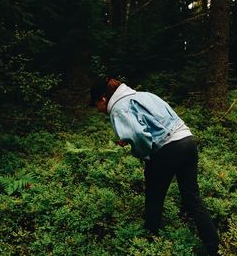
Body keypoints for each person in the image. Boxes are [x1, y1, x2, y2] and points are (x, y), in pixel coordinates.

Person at [89, 78, 219, 255]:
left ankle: (149, 244)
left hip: (167, 148)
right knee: (192, 197)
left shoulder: (118, 108)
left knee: (154, 198)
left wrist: (143, 152)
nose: (98, 109)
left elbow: (137, 134)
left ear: (103, 99)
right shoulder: (144, 95)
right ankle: (213, 246)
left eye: (97, 104)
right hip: (188, 140)